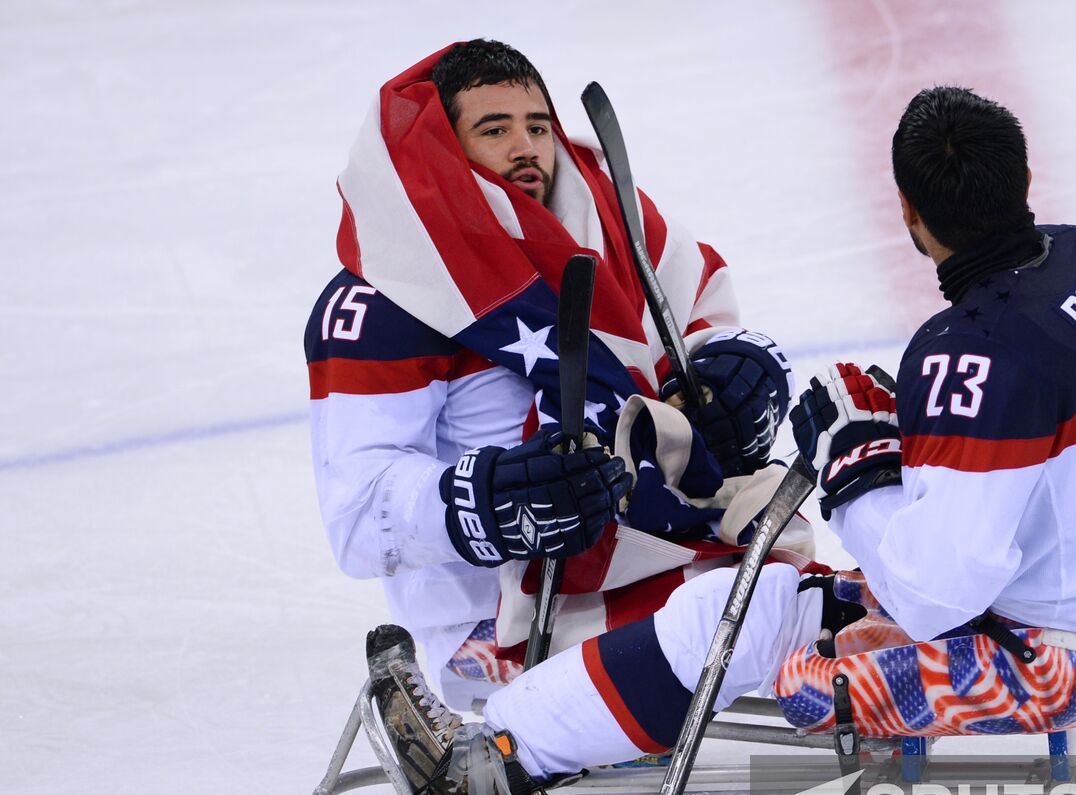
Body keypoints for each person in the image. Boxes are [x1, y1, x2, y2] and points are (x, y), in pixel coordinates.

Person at [365, 85, 1076, 795]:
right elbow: (1041, 455)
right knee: (738, 606)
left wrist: (854, 463)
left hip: (1050, 655)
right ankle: (499, 748)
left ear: (906, 209)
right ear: (1022, 182)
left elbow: (934, 595)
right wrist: (908, 436)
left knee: (798, 673)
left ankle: (493, 759)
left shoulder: (971, 352)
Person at [304, 37, 799, 728]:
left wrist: (739, 370)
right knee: (767, 616)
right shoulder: (387, 292)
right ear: (447, 146)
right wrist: (486, 500)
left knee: (793, 598)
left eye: (537, 125)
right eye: (495, 129)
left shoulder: (606, 221)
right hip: (494, 622)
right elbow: (356, 518)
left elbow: (704, 308)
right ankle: (502, 748)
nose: (527, 147)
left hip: (653, 542)